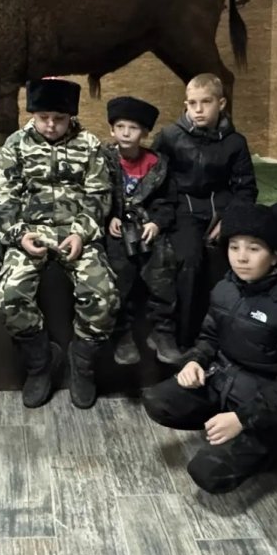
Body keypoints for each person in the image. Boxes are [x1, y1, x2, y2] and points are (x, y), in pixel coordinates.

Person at [143, 202, 277, 494]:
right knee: (158, 400)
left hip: (268, 407)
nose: (241, 257)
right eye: (234, 247)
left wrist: (242, 419)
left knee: (207, 473)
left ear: (275, 256)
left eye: (254, 248)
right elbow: (209, 336)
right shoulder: (227, 287)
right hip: (225, 384)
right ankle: (225, 428)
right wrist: (194, 361)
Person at [0, 77, 118, 410]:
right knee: (9, 296)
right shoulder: (16, 145)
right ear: (32, 113)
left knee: (103, 296)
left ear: (70, 116)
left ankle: (82, 362)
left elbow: (99, 194)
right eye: (43, 117)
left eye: (59, 118)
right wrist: (19, 234)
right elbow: (3, 197)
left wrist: (81, 233)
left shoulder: (89, 144)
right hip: (30, 232)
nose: (50, 125)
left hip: (77, 233)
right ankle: (40, 362)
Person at [153, 73, 257, 361]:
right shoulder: (170, 137)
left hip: (221, 211)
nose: (198, 110)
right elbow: (156, 182)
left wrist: (229, 220)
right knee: (189, 260)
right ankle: (184, 341)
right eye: (192, 103)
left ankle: (233, 336)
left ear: (221, 103)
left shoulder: (235, 142)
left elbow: (246, 187)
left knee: (237, 258)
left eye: (206, 102)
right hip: (183, 209)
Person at [101, 95, 176, 366]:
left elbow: (167, 201)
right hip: (117, 230)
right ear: (112, 130)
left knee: (162, 267)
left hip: (146, 227)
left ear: (144, 132)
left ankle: (163, 330)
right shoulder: (104, 160)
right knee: (119, 272)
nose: (125, 133)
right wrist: (108, 218)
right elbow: (96, 194)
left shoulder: (157, 164)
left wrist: (156, 223)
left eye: (133, 128)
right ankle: (122, 333)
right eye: (120, 127)